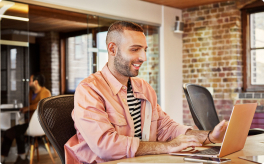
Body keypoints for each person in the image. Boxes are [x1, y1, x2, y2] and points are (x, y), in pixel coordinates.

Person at [64, 21, 228, 164]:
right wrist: (168, 146)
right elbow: (106, 146)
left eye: (144, 49)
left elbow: (166, 128)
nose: (143, 57)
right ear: (112, 49)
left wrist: (209, 137)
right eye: (135, 49)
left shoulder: (143, 87)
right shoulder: (90, 89)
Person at [1, 73, 51, 164]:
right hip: (29, 122)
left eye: (30, 81)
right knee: (17, 132)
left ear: (36, 82)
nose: (28, 82)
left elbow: (40, 105)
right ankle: (22, 157)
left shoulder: (46, 92)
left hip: (39, 124)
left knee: (9, 132)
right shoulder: (31, 92)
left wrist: (27, 108)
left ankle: (2, 158)